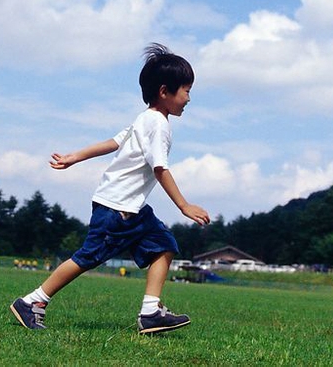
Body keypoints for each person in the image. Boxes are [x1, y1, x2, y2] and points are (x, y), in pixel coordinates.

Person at [11, 44, 210, 335]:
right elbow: (160, 168)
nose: (189, 98)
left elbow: (113, 142)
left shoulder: (144, 119)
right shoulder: (158, 125)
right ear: (165, 91)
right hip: (117, 208)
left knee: (165, 245)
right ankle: (32, 302)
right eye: (186, 90)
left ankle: (151, 312)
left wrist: (75, 156)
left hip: (132, 209)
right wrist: (184, 206)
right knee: (87, 257)